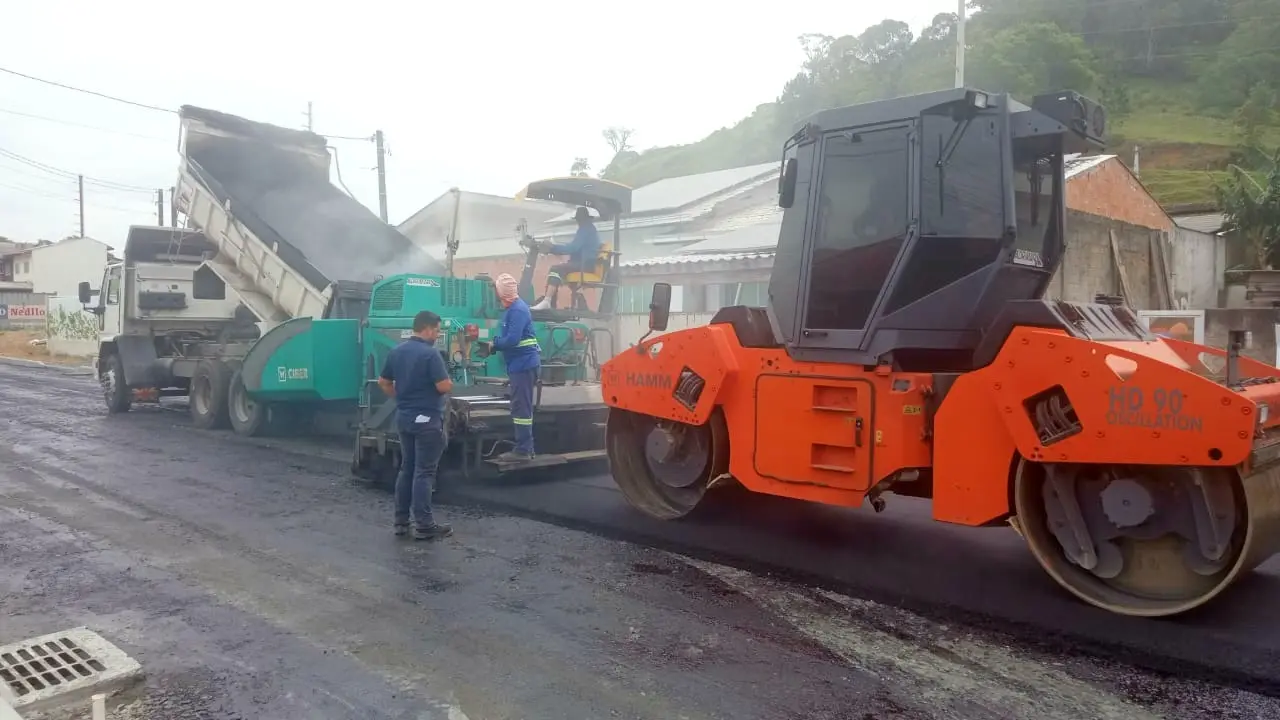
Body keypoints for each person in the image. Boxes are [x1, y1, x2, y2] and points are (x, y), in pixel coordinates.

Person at [378, 310, 454, 541]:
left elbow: (384, 382)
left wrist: (400, 398)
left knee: (407, 469)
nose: (437, 335)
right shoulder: (430, 355)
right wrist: (448, 382)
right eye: (437, 330)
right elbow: (443, 386)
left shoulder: (396, 351)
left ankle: (401, 522)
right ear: (427, 328)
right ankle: (424, 525)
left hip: (404, 418)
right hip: (427, 420)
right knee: (424, 472)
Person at [489, 273, 541, 462]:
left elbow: (512, 339)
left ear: (502, 292)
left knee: (522, 408)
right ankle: (525, 447)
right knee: (520, 406)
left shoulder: (518, 310)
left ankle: (524, 449)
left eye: (496, 290)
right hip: (519, 365)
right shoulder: (512, 310)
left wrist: (494, 345)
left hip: (524, 365)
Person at [530, 206, 600, 311]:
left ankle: (547, 301)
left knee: (556, 269)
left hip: (585, 264)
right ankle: (549, 302)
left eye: (579, 219)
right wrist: (555, 248)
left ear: (582, 219)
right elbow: (574, 246)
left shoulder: (585, 230)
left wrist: (553, 248)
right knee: (558, 269)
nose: (578, 221)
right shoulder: (588, 229)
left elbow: (573, 248)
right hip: (584, 262)